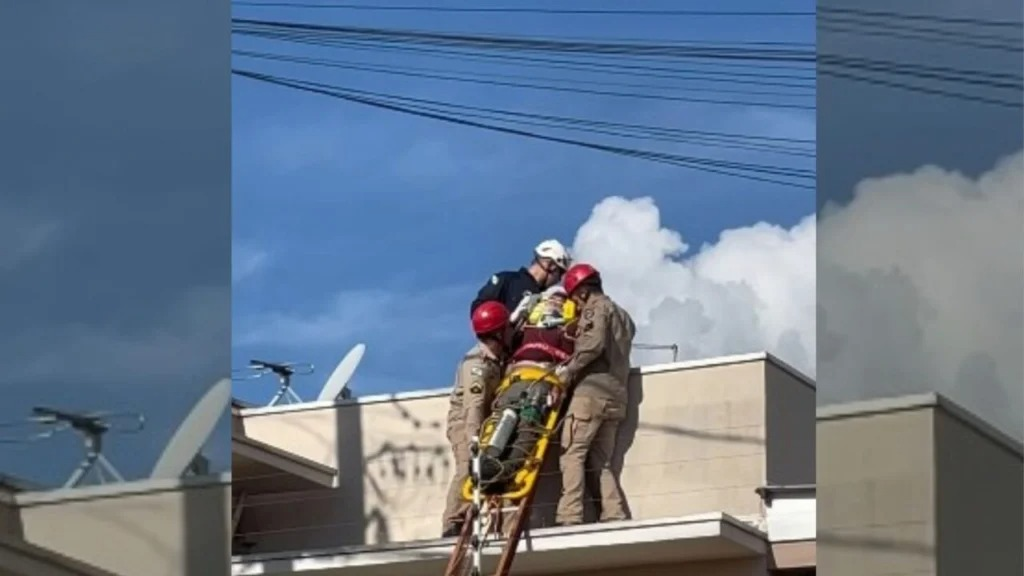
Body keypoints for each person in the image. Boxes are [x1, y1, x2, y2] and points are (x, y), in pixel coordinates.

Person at [552, 263, 636, 526]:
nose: (575, 304)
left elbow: (592, 345)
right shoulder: (623, 315)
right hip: (617, 395)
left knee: (572, 453)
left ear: (583, 291)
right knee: (601, 461)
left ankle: (570, 515)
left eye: (575, 297)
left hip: (591, 393)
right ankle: (613, 514)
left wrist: (565, 372)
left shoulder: (595, 309)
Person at [441, 301, 514, 538]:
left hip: (486, 423)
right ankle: (454, 522)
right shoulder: (477, 365)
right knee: (468, 469)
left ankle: (495, 523)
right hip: (466, 423)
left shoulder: (496, 359)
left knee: (493, 470)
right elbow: (474, 408)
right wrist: (475, 443)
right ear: (498, 333)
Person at [469, 239, 572, 325]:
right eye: (560, 273)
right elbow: (478, 311)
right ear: (550, 266)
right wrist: (509, 320)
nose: (559, 280)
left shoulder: (547, 297)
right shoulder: (507, 280)